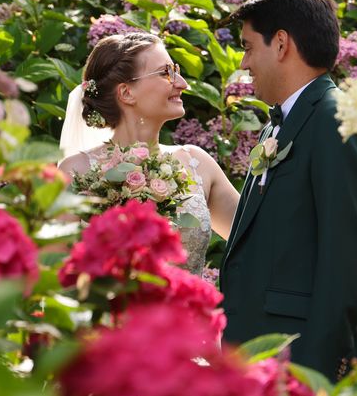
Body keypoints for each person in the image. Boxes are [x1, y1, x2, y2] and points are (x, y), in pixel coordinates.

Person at [219, 0, 357, 380]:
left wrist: (311, 378)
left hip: (305, 363)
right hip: (266, 359)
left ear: (280, 44)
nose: (243, 63)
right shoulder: (282, 124)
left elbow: (345, 264)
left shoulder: (337, 120)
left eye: (247, 47)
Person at [59, 33, 239, 275]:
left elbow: (260, 241)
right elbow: (56, 276)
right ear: (126, 93)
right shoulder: (75, 172)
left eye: (175, 69)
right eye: (166, 72)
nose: (182, 83)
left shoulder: (198, 164)